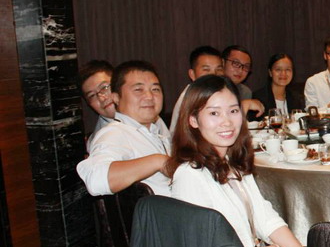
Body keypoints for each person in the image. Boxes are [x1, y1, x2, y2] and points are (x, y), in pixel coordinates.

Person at [167, 74, 309, 247]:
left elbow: (266, 217)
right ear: (192, 120)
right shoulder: (189, 176)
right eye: (214, 113)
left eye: (233, 111)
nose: (227, 122)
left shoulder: (231, 161)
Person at [77, 61, 171, 196]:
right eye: (138, 90)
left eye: (155, 89)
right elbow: (96, 179)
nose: (149, 96)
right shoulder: (114, 133)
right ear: (116, 97)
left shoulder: (151, 129)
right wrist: (158, 161)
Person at [169, 46, 224, 133]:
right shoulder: (190, 99)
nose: (214, 75)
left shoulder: (214, 94)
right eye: (206, 69)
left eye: (219, 69)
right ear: (192, 74)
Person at [79, 60, 116, 150]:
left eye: (104, 87)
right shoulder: (103, 142)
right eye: (92, 95)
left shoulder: (145, 111)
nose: (101, 98)